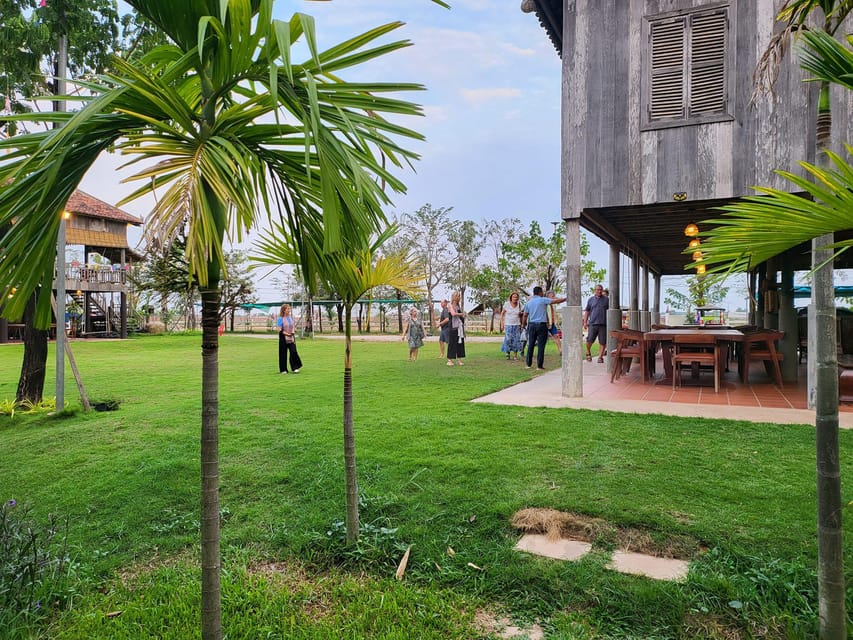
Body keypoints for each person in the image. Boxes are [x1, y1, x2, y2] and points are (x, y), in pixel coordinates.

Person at [522, 286, 566, 370]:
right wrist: (565, 299)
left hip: (531, 325)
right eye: (542, 292)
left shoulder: (529, 302)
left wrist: (523, 324)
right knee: (541, 345)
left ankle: (528, 364)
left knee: (531, 344)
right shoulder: (543, 300)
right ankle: (539, 366)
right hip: (541, 325)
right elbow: (555, 301)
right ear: (539, 292)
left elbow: (525, 315)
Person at [583, 284, 609, 363]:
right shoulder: (591, 299)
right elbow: (587, 311)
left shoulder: (606, 300)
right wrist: (585, 322)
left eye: (601, 289)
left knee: (603, 341)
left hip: (603, 324)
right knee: (589, 340)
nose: (599, 291)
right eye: (598, 289)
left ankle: (600, 357)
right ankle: (588, 351)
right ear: (595, 290)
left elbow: (610, 311)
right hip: (593, 323)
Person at [276, 303, 303, 374]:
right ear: (284, 310)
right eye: (288, 309)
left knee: (293, 351)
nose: (289, 310)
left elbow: (293, 326)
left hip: (291, 337)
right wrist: (287, 334)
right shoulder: (280, 319)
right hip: (283, 338)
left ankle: (294, 368)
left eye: (289, 308)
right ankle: (283, 370)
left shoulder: (290, 317)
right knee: (283, 354)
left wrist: (293, 332)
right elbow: (279, 330)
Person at [500, 292, 523, 360]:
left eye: (516, 297)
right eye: (514, 297)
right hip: (508, 324)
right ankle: (507, 353)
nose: (515, 298)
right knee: (508, 339)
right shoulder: (507, 304)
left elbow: (523, 313)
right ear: (511, 298)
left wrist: (521, 313)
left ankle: (515, 355)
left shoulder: (520, 304)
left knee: (516, 340)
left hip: (517, 324)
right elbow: (502, 314)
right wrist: (502, 324)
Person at [446, 291, 466, 366]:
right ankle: (449, 360)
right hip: (453, 327)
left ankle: (459, 359)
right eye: (458, 296)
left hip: (459, 327)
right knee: (452, 343)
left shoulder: (458, 306)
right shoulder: (450, 305)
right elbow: (453, 314)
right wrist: (461, 314)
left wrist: (462, 316)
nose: (459, 298)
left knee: (459, 343)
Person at [546, 290, 563, 355]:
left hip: (552, 323)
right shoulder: (545, 304)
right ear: (548, 296)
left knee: (557, 336)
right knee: (541, 338)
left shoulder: (553, 304)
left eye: (553, 296)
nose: (553, 297)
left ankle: (560, 350)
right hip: (545, 323)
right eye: (552, 296)